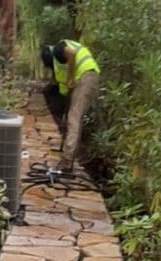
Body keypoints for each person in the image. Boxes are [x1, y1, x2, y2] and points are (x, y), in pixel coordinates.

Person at [40, 39, 100, 172]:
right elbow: (64, 91)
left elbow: (72, 54)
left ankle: (67, 161)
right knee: (71, 117)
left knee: (74, 118)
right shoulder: (59, 69)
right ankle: (69, 157)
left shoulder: (59, 47)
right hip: (82, 79)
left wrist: (71, 77)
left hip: (87, 76)